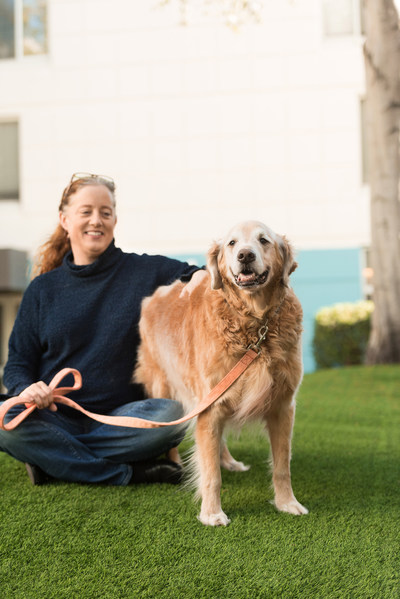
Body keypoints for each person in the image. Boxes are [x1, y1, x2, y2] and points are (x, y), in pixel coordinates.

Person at [0, 172, 205, 487]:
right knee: (3, 421)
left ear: (114, 220)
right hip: (54, 417)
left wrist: (204, 277)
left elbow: (199, 275)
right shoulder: (42, 290)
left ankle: (54, 461)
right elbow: (18, 363)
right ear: (65, 219)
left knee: (171, 416)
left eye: (105, 212)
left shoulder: (143, 271)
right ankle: (125, 473)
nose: (96, 220)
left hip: (122, 417)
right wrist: (26, 389)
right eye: (86, 211)